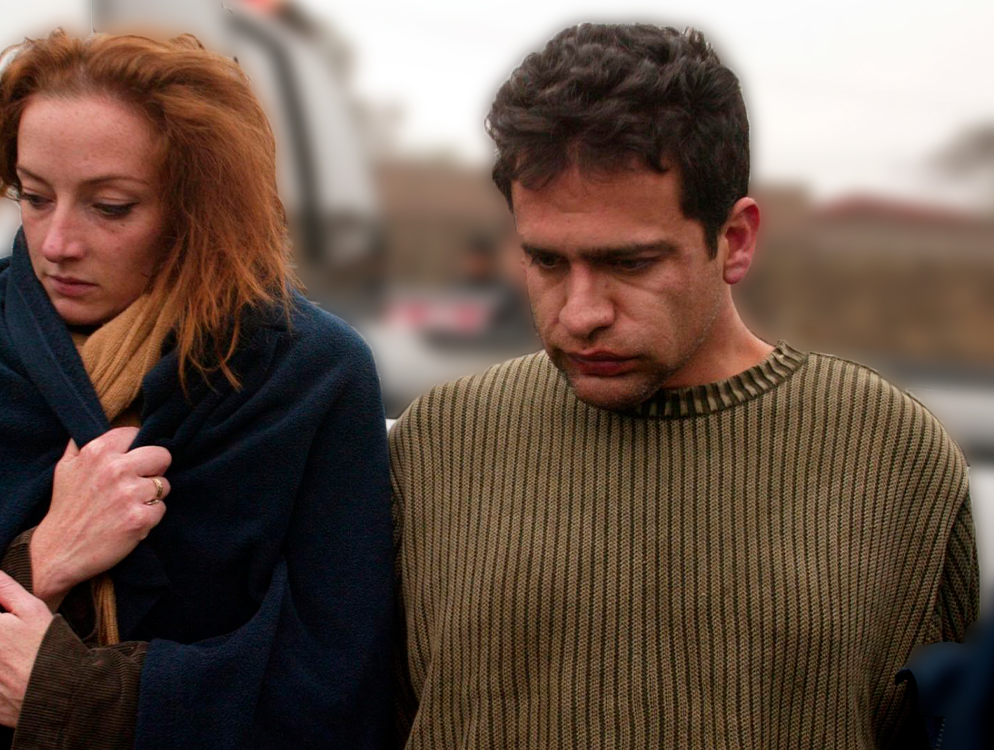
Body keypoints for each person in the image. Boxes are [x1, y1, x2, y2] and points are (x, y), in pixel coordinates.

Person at [0, 29, 393, 749]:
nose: (56, 244)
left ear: (202, 209)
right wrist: (43, 558)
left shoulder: (308, 379)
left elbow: (335, 688)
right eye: (34, 196)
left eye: (110, 206)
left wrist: (75, 696)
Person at [388, 23, 977, 749]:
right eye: (546, 261)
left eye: (630, 263)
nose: (581, 313)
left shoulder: (892, 455)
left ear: (735, 241)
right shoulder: (438, 445)